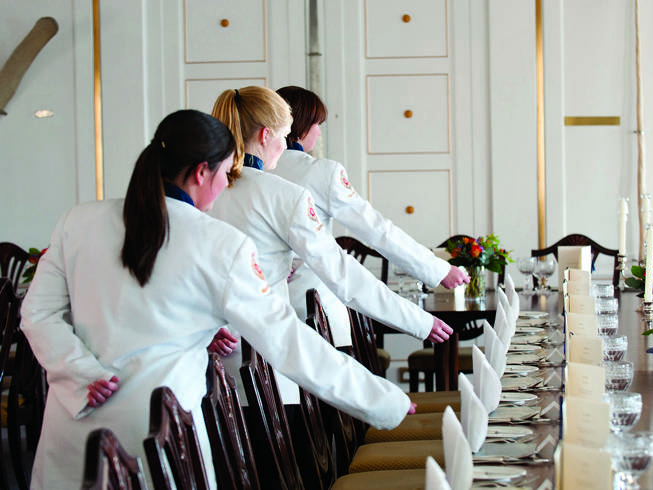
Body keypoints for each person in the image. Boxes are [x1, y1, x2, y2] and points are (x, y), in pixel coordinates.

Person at [20, 110, 414, 489]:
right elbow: (290, 343)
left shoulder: (78, 220)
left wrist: (80, 373)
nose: (228, 184)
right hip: (160, 436)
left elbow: (38, 315)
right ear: (201, 172)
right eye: (226, 172)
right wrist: (385, 400)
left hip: (74, 429)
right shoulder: (220, 244)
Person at [207, 86, 452, 403]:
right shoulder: (282, 194)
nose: (285, 147)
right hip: (269, 360)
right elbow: (344, 273)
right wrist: (418, 321)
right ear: (266, 135)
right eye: (283, 136)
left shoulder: (203, 188)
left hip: (211, 361)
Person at [271, 85, 469, 340]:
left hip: (261, 313)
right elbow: (378, 231)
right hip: (313, 313)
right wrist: (438, 270)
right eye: (317, 124)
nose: (319, 132)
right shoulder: (320, 172)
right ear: (300, 125)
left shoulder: (244, 173)